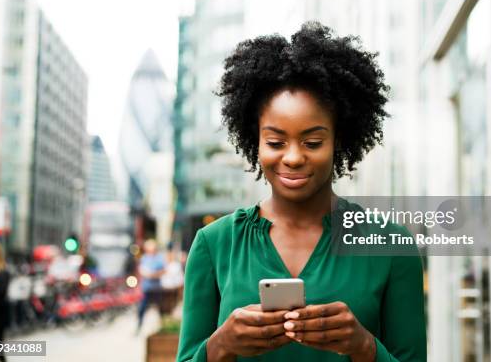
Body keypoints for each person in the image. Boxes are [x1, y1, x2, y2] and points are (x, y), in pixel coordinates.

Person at [177, 22, 426, 361]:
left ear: (339, 141)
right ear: (256, 142)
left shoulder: (391, 247)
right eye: (276, 142)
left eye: (312, 142)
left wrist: (365, 348)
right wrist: (220, 347)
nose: (293, 158)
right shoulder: (214, 245)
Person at [136, 239, 165, 333]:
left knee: (160, 308)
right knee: (142, 308)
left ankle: (162, 326)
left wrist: (153, 275)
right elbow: (141, 270)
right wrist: (147, 274)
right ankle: (139, 325)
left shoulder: (159, 258)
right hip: (147, 288)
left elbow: (163, 270)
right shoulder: (144, 258)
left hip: (156, 288)